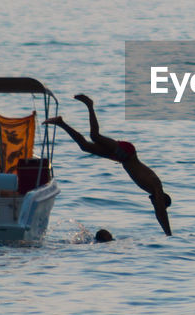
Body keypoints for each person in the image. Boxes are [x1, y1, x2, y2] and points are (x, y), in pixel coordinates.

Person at [45, 94, 173, 236]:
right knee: (95, 136)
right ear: (162, 200)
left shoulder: (152, 189)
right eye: (157, 203)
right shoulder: (157, 187)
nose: (155, 205)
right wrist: (169, 233)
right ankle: (89, 104)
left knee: (85, 146)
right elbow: (161, 213)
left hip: (122, 157)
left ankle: (61, 123)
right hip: (127, 153)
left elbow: (159, 210)